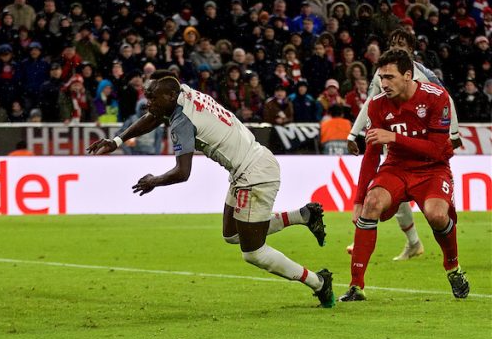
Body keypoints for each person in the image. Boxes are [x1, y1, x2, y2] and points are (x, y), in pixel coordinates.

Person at [86, 72, 334, 307]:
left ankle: (318, 282)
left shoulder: (183, 121)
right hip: (249, 167)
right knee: (231, 235)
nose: (147, 101)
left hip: (254, 175)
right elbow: (154, 115)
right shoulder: (183, 93)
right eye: (146, 95)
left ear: (170, 95)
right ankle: (304, 215)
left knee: (253, 253)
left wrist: (154, 180)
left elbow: (182, 172)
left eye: (152, 96)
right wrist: (117, 140)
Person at [341, 49, 468, 301]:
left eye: (390, 77)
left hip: (432, 169)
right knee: (372, 204)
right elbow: (371, 156)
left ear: (408, 75)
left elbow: (436, 149)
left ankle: (453, 268)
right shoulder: (377, 105)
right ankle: (356, 286)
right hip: (396, 168)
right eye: (381, 78)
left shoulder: (436, 97)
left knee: (437, 215)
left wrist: (395, 137)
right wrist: (358, 200)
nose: (383, 84)